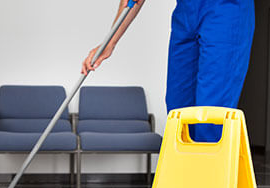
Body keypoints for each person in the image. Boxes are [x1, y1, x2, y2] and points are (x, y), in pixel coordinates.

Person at [82, 0, 255, 142]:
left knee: (211, 115)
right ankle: (184, 180)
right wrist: (110, 42)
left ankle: (209, 181)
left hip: (226, 9)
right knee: (178, 111)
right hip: (186, 12)